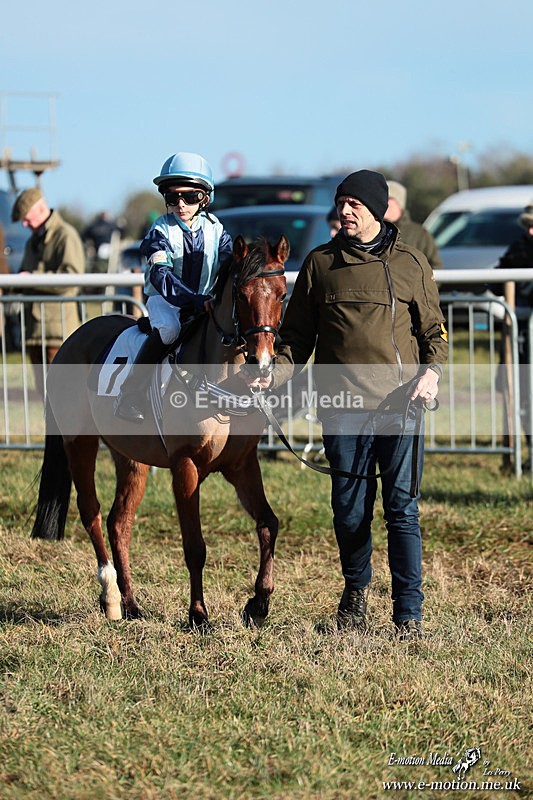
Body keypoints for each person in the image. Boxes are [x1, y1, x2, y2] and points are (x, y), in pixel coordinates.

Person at [242, 170, 448, 640]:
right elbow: (295, 341)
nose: (345, 211)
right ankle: (355, 597)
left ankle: (408, 615)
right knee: (350, 511)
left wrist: (431, 374)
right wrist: (273, 374)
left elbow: (433, 334)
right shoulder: (320, 263)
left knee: (402, 510)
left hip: (401, 406)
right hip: (341, 406)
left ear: (377, 208)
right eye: (341, 203)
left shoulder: (412, 263)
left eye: (355, 203)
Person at [114, 152, 233, 423]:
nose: (180, 203)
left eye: (189, 197)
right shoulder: (160, 230)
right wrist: (193, 299)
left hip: (205, 301)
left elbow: (229, 266)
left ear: (204, 198)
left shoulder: (217, 229)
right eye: (172, 197)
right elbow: (161, 275)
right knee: (169, 331)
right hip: (166, 302)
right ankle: (131, 394)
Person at [11, 187, 85, 397]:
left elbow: (71, 278)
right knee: (45, 396)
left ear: (40, 209)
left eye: (26, 218)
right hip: (36, 332)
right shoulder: (32, 241)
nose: (24, 225)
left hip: (58, 332)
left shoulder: (65, 235)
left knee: (66, 396)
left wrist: (32, 278)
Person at [492, 202, 533, 461]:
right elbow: (497, 282)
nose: (530, 232)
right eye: (528, 226)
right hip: (522, 336)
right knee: (522, 394)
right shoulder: (518, 248)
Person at [384, 181, 442, 270]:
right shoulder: (372, 232)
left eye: (389, 199)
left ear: (399, 204)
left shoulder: (420, 234)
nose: (384, 203)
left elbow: (436, 267)